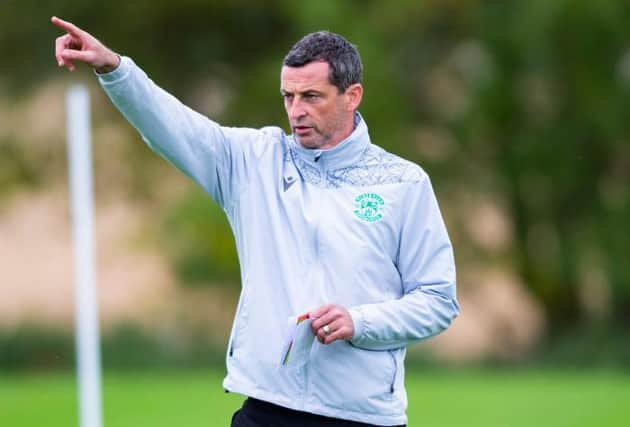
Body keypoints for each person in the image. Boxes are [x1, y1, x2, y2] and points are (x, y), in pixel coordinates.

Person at [52, 16, 459, 427]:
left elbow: (438, 301)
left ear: (352, 96)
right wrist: (114, 69)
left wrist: (360, 321)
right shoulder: (252, 161)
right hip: (267, 407)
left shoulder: (404, 183)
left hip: (364, 416)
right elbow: (173, 125)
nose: (296, 111)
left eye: (311, 96)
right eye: (288, 96)